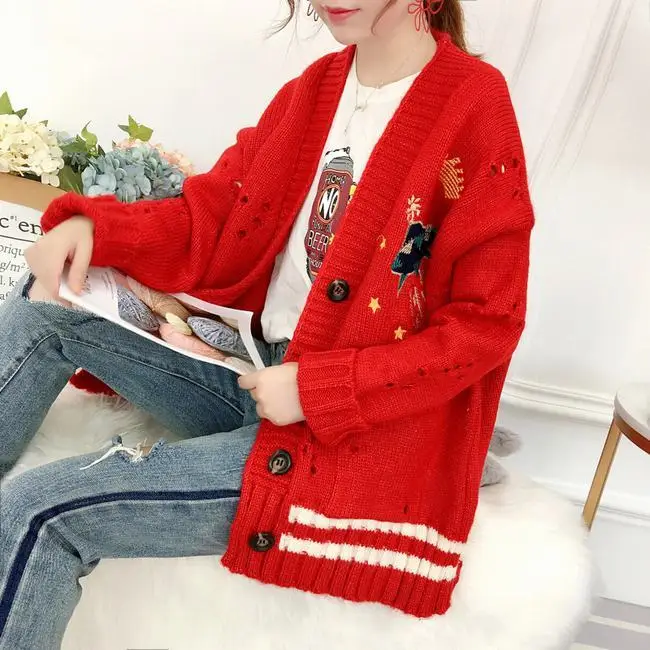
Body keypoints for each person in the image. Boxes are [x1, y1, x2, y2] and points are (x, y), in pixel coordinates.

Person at [0, 0, 534, 646]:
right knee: (42, 316)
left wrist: (320, 389)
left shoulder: (474, 108)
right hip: (253, 374)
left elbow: (486, 324)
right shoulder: (314, 91)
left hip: (342, 440)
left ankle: (461, 454)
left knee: (39, 511)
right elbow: (215, 213)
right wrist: (96, 228)